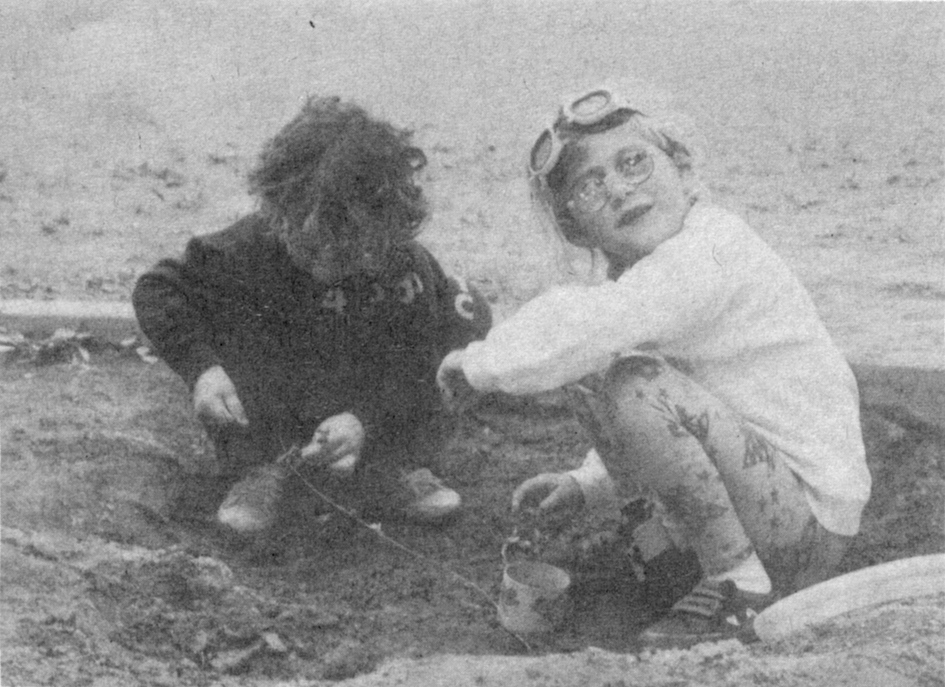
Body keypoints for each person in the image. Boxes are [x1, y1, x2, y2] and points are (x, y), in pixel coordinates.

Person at [437, 87, 870, 648]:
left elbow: (592, 331)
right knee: (595, 369)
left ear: (685, 170)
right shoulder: (647, 280)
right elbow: (608, 351)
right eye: (589, 187)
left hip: (805, 525)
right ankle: (671, 564)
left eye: (634, 162)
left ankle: (741, 591)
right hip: (763, 502)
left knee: (630, 382)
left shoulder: (714, 249)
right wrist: (588, 484)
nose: (618, 187)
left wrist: (476, 366)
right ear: (575, 228)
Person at [134, 96, 490, 539]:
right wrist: (203, 370)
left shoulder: (404, 271)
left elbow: (418, 365)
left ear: (383, 230)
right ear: (277, 213)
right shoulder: (246, 250)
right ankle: (262, 466)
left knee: (450, 359)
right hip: (284, 384)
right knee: (239, 322)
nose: (324, 263)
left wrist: (366, 419)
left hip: (370, 384)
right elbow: (159, 288)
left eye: (345, 250)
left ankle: (390, 467)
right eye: (308, 245)